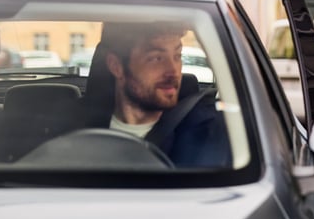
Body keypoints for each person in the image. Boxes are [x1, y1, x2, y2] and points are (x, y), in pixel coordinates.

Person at [92, 21, 231, 168]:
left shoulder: (210, 132)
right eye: (156, 58)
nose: (174, 71)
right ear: (116, 66)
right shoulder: (76, 130)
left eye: (177, 56)